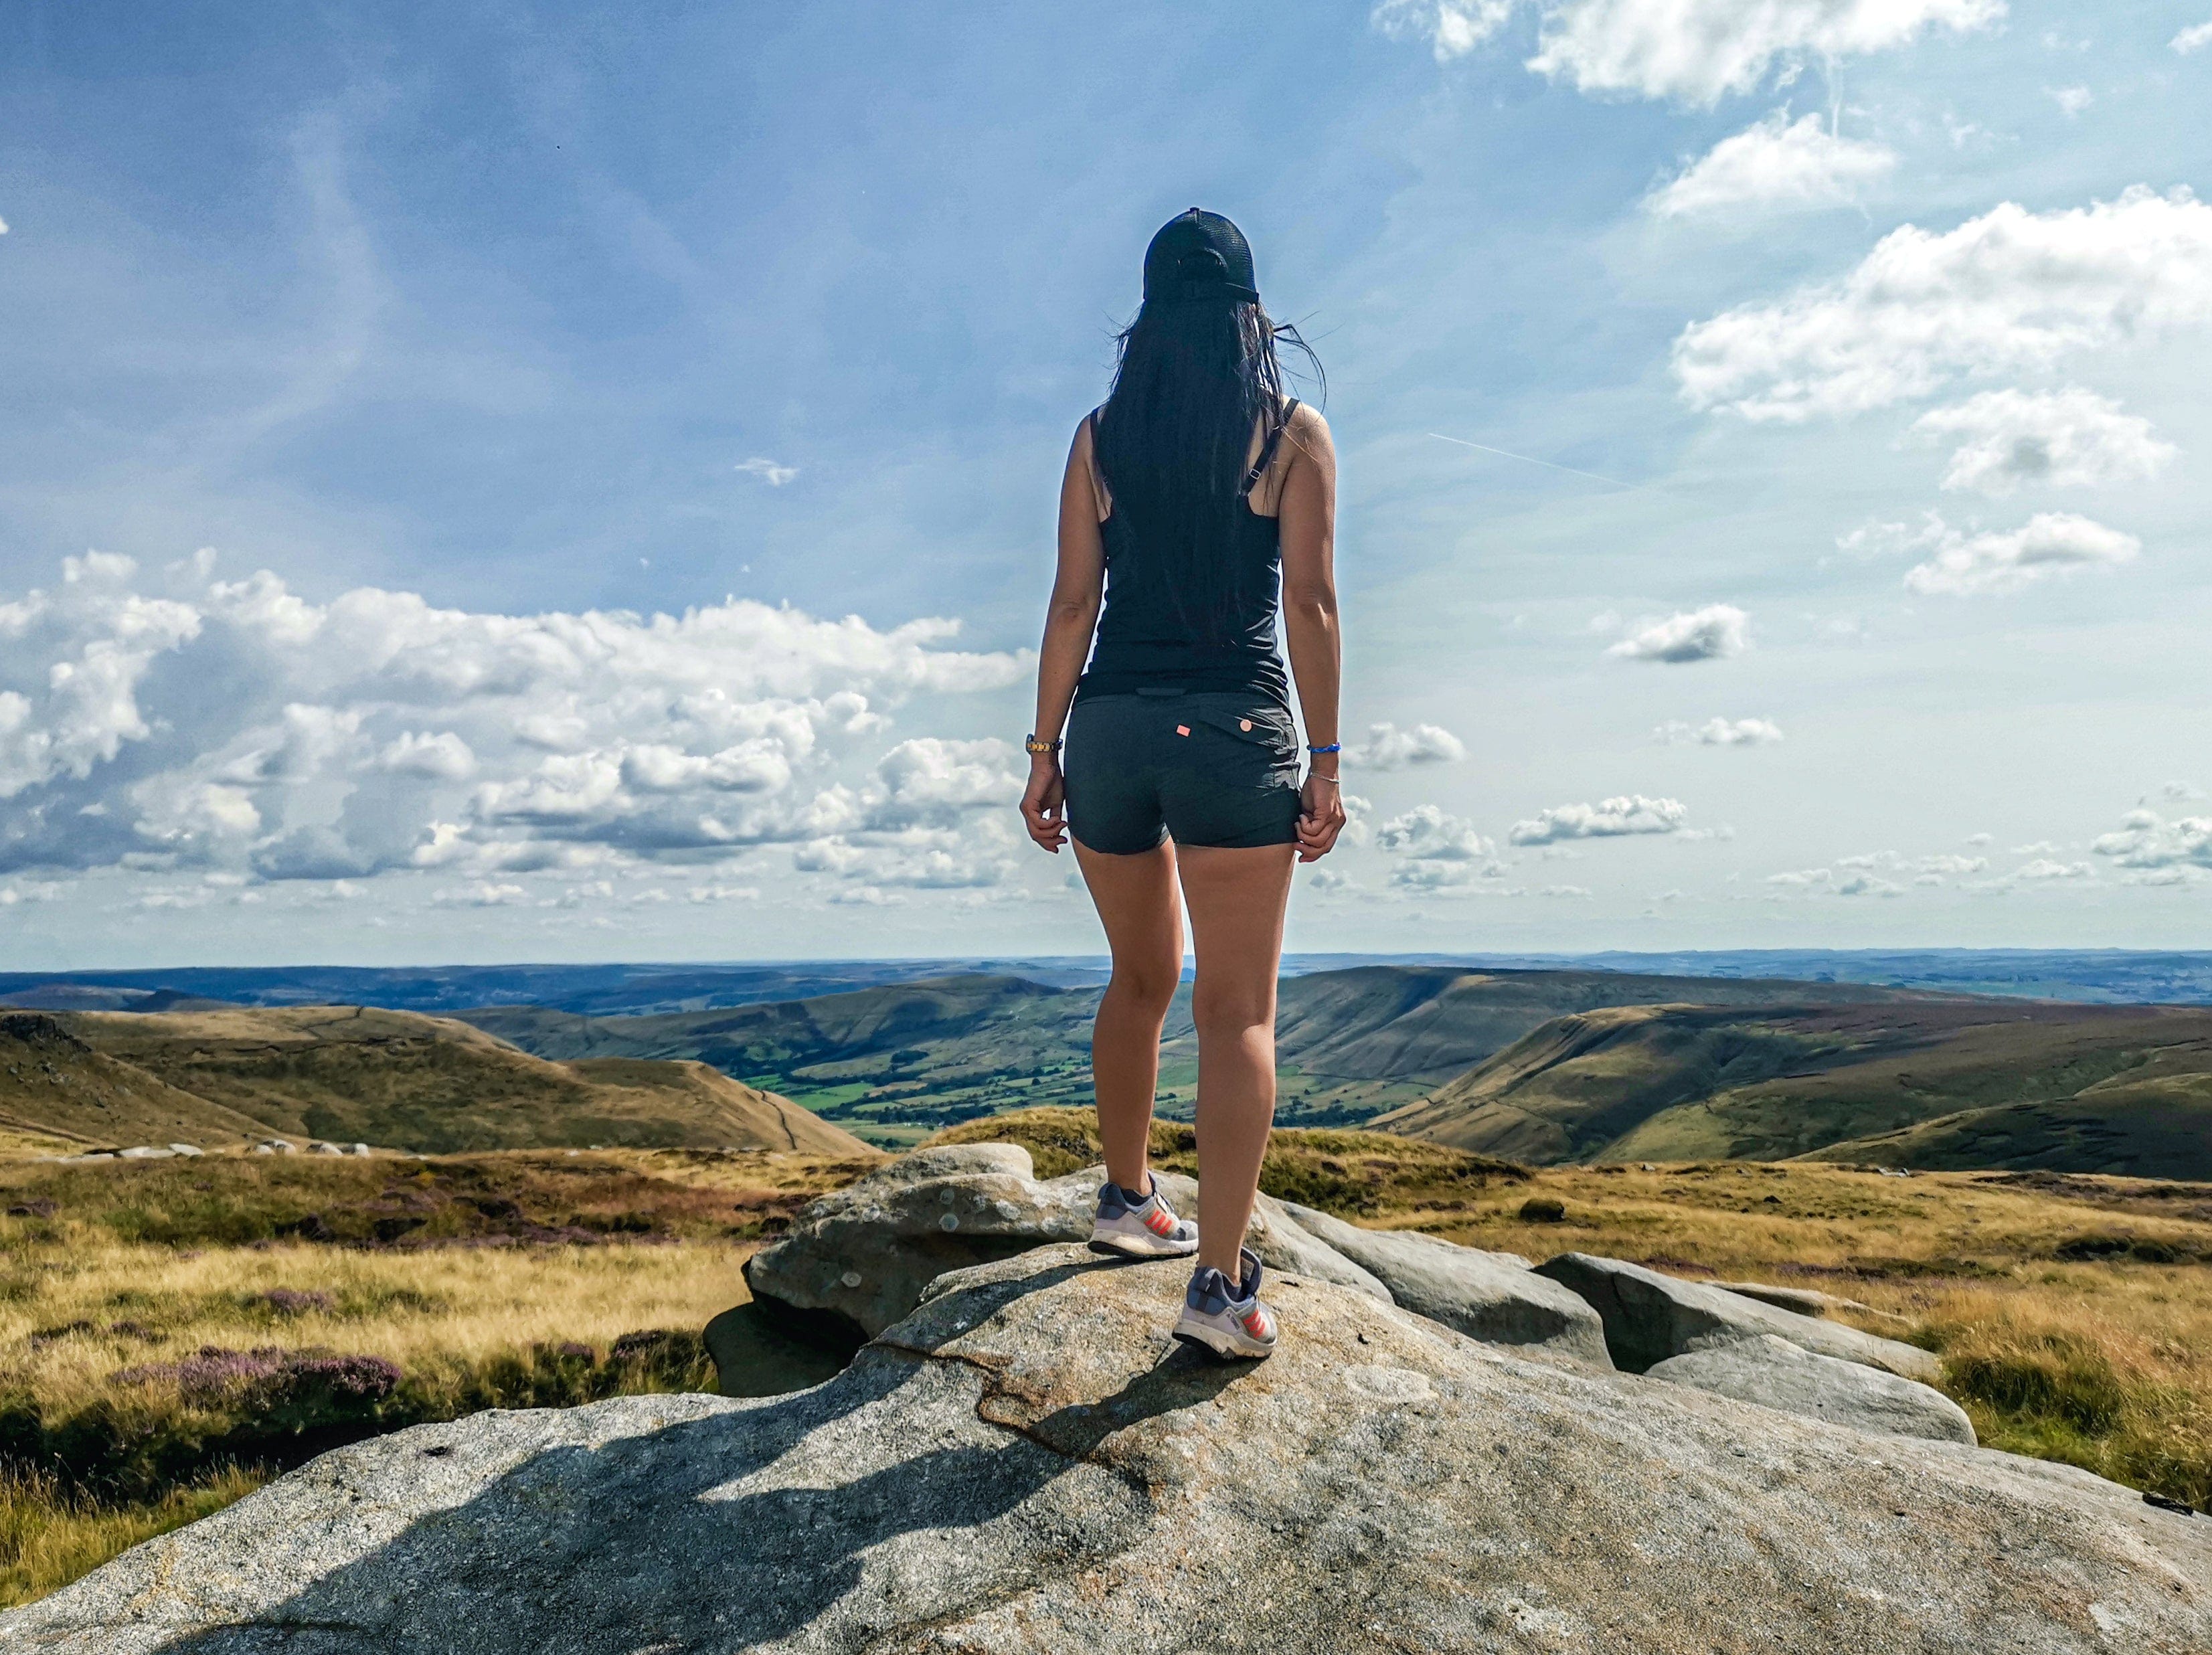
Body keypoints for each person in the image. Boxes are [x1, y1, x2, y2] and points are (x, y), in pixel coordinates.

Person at [1019, 208, 1345, 1360]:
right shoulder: (1289, 433)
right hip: (1236, 726)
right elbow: (1306, 603)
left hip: (1109, 727)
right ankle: (1215, 1284)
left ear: (1147, 318)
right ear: (1251, 314)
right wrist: (1327, 757)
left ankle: (1123, 1200)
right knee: (1236, 1010)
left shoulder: (1100, 437)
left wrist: (1044, 749)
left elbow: (1072, 603)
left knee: (1138, 977)